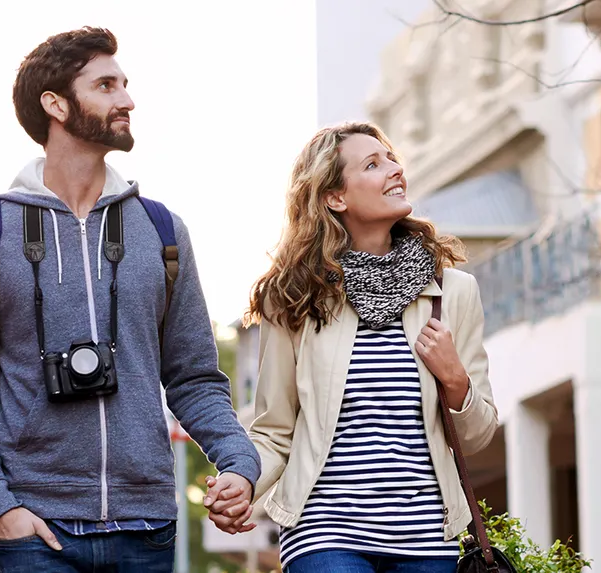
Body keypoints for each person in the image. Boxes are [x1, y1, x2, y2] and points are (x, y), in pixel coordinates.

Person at [0, 26, 260, 573]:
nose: (127, 100)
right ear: (55, 104)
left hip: (147, 529)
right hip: (38, 532)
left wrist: (239, 460)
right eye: (106, 85)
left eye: (125, 85)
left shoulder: (161, 231)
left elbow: (195, 377)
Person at [205, 122, 499, 573]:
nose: (395, 170)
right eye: (373, 164)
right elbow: (275, 430)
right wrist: (242, 479)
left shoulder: (452, 292)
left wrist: (455, 379)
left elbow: (478, 435)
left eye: (391, 159)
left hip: (426, 539)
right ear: (335, 197)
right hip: (324, 533)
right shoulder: (294, 296)